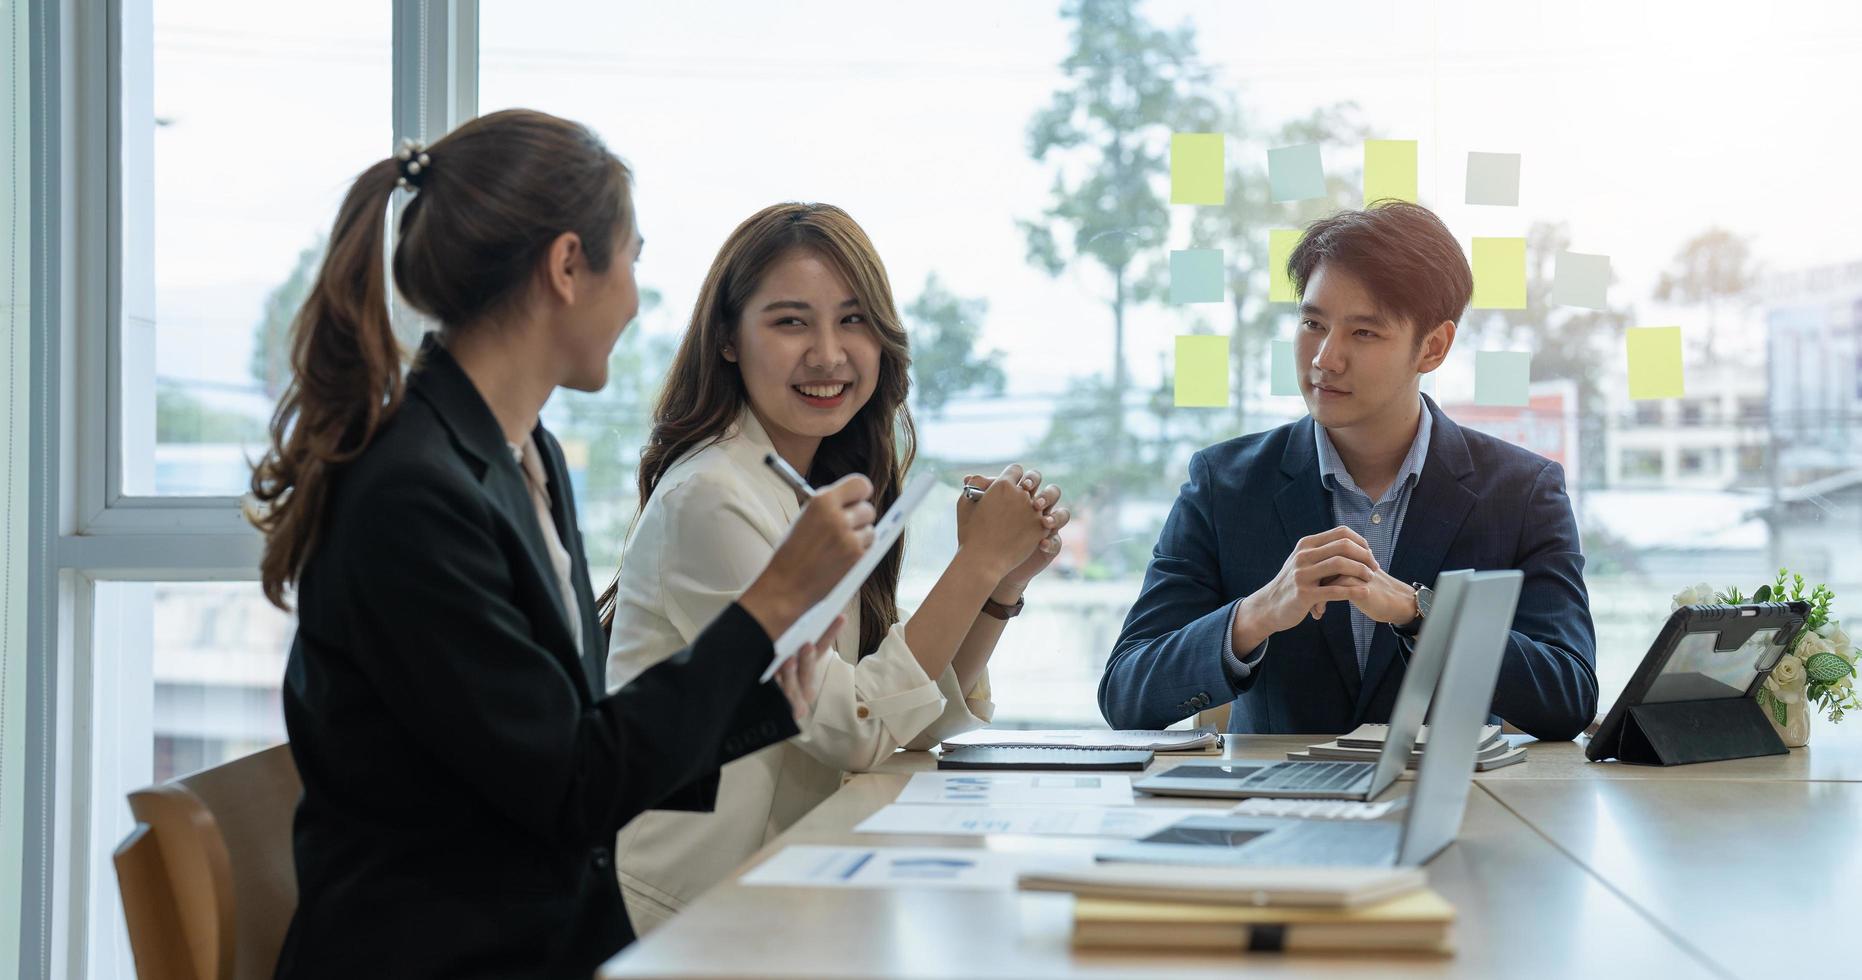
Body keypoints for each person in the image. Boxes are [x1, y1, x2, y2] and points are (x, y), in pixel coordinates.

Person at [251, 110, 868, 979]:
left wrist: (770, 702)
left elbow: (572, 744)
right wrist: (770, 604)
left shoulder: (526, 453)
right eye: (634, 262)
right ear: (569, 266)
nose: (639, 301)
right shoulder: (413, 496)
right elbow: (571, 787)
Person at [599, 202, 1068, 932]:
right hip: (687, 912)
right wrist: (974, 565)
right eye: (791, 322)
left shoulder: (815, 484)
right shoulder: (713, 499)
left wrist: (999, 589)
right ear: (727, 338)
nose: (827, 354)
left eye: (852, 321)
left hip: (788, 885)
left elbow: (908, 720)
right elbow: (852, 727)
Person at [1098, 201, 1597, 742]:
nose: (1325, 358)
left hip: (1453, 814)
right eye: (1313, 323)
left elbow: (1568, 696)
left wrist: (1419, 610)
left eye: (1363, 333)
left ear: (1433, 347)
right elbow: (1127, 692)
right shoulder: (1224, 485)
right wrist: (1258, 613)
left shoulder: (1522, 493)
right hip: (1275, 816)